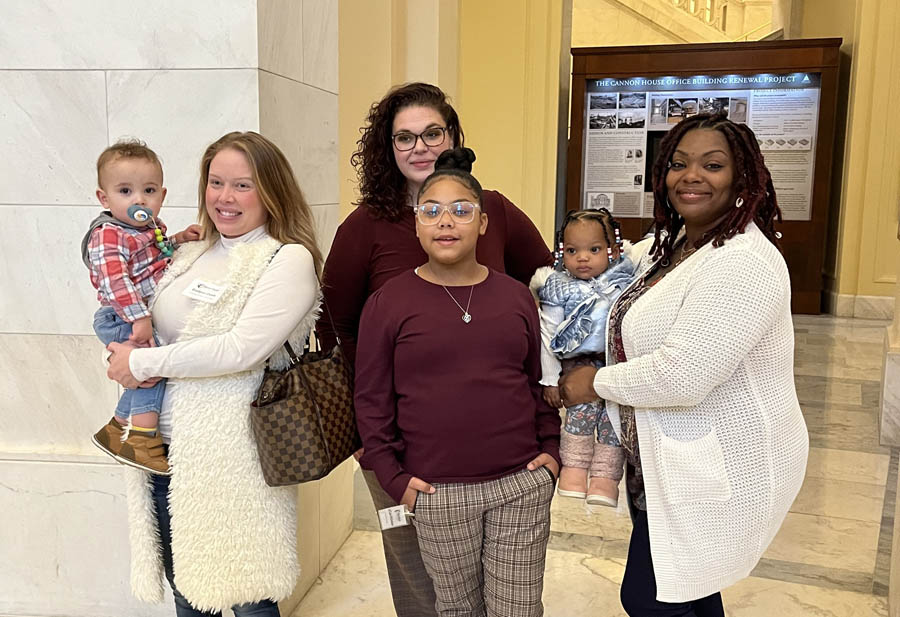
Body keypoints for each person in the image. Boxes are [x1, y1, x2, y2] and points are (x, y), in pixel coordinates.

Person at [318, 82, 553, 617]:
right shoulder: (366, 225)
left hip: (501, 449)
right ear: (388, 147)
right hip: (398, 443)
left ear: (452, 136)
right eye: (404, 137)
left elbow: (548, 287)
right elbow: (335, 326)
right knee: (423, 584)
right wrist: (368, 437)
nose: (419, 147)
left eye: (432, 133)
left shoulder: (492, 209)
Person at [559, 112, 808, 616]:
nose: (691, 176)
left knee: (649, 599)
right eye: (678, 164)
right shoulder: (674, 245)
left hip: (718, 464)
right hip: (663, 461)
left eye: (712, 165)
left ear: (741, 177)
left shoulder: (742, 260)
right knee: (689, 586)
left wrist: (593, 382)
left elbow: (682, 375)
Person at [105, 131, 322, 616]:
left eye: (243, 185)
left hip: (234, 456)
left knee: (248, 597)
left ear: (271, 190)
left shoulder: (286, 258)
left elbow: (240, 349)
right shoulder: (191, 253)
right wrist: (122, 351)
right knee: (189, 597)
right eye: (216, 182)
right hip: (162, 449)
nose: (225, 197)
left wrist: (141, 363)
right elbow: (147, 325)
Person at [84, 139, 201, 474]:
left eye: (148, 190)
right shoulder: (109, 235)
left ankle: (115, 428)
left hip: (137, 313)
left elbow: (156, 255)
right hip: (120, 314)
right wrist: (139, 319)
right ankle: (142, 440)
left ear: (162, 196)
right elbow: (115, 281)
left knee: (145, 370)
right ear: (104, 198)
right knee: (150, 368)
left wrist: (179, 239)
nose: (139, 199)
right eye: (125, 191)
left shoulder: (149, 227)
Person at [531, 208, 635, 506]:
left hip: (618, 365)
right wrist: (550, 379)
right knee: (581, 414)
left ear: (614, 250)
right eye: (572, 251)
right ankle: (574, 470)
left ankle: (605, 479)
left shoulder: (625, 280)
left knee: (613, 420)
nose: (583, 258)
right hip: (577, 364)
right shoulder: (558, 286)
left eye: (594, 249)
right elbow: (548, 334)